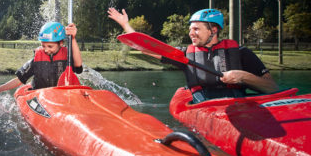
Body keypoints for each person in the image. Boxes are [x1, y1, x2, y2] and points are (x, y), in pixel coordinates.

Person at [108, 7, 279, 103]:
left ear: (213, 30)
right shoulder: (185, 55)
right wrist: (126, 25)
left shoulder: (242, 53)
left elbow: (271, 88)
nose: (191, 33)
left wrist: (242, 76)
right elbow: (146, 47)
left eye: (196, 29)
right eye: (190, 29)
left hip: (239, 107)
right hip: (202, 108)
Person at [0, 21, 83, 96]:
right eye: (43, 46)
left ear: (61, 43)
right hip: (41, 96)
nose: (46, 50)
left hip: (60, 96)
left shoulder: (67, 56)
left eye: (50, 46)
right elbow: (19, 79)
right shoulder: (37, 59)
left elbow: (78, 65)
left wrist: (73, 38)